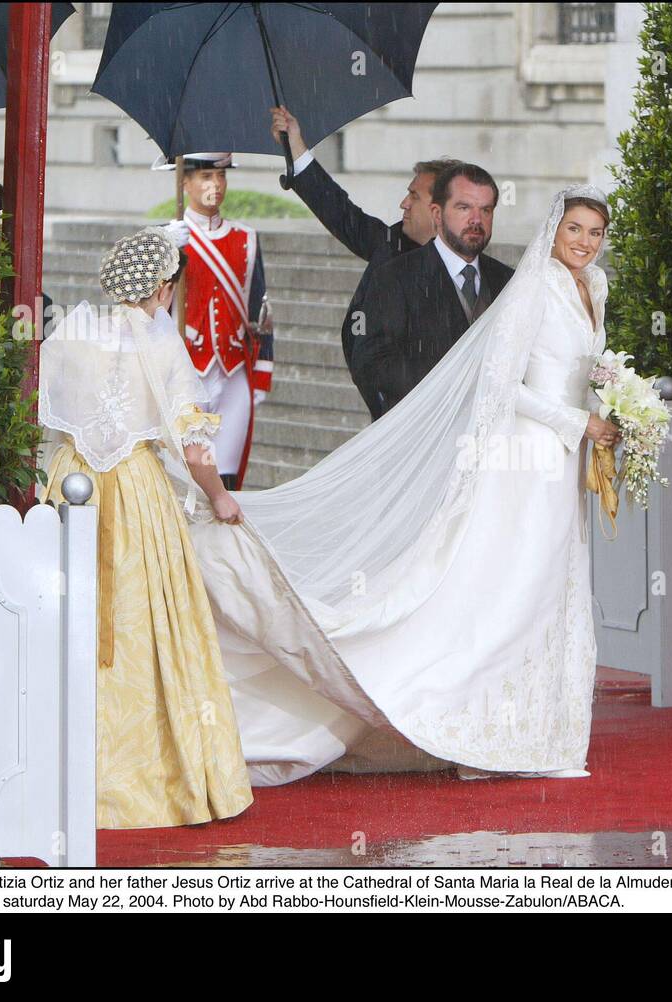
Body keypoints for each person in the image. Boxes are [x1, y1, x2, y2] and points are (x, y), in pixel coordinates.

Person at [178, 185, 621, 783]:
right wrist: (576, 421)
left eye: (594, 232)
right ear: (554, 229)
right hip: (526, 456)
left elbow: (585, 372)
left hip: (565, 464)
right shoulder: (535, 285)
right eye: (575, 229)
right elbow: (498, 383)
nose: (584, 242)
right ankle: (471, 723)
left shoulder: (594, 288)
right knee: (511, 589)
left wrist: (617, 413)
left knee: (547, 587)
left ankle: (535, 728)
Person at [38, 227, 253, 828]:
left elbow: (45, 412)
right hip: (135, 495)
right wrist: (219, 498)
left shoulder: (73, 331)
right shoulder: (162, 346)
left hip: (70, 488)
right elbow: (192, 442)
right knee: (147, 624)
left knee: (67, 616)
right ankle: (157, 780)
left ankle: (58, 769)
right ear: (161, 288)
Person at [270, 105, 459, 418]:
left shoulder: (475, 278)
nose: (404, 203)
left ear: (441, 209)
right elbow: (342, 214)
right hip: (389, 418)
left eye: (414, 196)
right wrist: (296, 147)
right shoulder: (393, 245)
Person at [349, 163, 515, 417]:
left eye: (486, 210)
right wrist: (451, 387)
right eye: (463, 208)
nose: (476, 220)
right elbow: (371, 363)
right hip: (418, 435)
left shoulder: (508, 280)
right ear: (437, 214)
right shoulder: (394, 276)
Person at [155, 152, 274, 489]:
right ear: (185, 182)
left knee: (227, 472)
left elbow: (260, 312)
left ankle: (222, 540)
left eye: (221, 177)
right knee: (185, 469)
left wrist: (262, 374)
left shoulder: (245, 238)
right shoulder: (169, 237)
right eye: (206, 176)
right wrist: (168, 252)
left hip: (234, 370)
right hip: (186, 370)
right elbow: (150, 307)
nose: (216, 185)